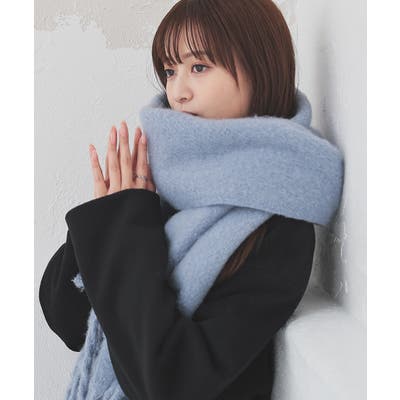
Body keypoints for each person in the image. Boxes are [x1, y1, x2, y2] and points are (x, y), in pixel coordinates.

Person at [39, 1, 319, 399]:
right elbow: (66, 319)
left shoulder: (280, 223)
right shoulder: (163, 191)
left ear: (260, 70)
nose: (178, 92)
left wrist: (124, 230)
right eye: (170, 71)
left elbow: (168, 382)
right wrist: (110, 215)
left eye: (199, 67)